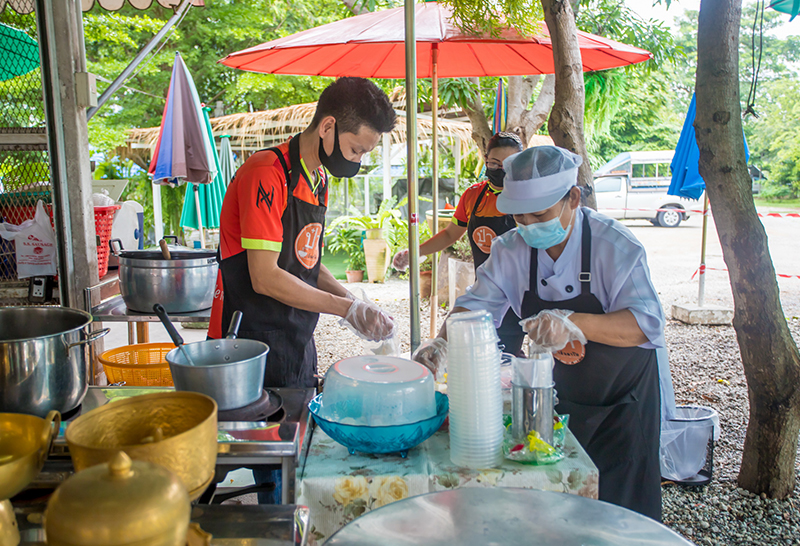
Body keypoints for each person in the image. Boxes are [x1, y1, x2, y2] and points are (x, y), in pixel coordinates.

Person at [414, 145, 675, 521]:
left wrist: (574, 322)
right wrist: (442, 341)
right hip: (558, 397)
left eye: (540, 214)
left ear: (573, 197)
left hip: (622, 403)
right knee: (557, 506)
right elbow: (475, 304)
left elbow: (645, 323)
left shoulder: (614, 246)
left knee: (621, 509)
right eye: (520, 216)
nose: (530, 226)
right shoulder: (509, 250)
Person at [207, 78, 398, 503]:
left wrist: (355, 301)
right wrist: (343, 310)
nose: (358, 160)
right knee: (261, 462)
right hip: (248, 344)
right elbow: (266, 276)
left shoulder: (317, 179)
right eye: (356, 149)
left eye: (365, 153)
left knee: (293, 455)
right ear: (328, 127)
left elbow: (307, 266)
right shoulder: (266, 173)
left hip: (294, 338)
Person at [393, 132, 527, 355]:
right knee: (475, 355)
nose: (500, 170)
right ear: (485, 161)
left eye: (508, 165)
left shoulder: (526, 198)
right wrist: (415, 252)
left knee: (505, 357)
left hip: (518, 295)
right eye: (494, 163)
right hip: (484, 289)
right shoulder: (474, 196)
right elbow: (449, 235)